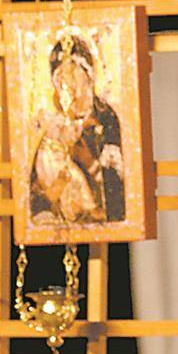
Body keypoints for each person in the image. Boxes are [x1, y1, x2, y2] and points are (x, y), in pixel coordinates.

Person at [30, 33, 126, 225]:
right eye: (60, 80)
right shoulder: (51, 126)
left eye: (73, 75)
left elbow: (117, 191)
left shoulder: (106, 119)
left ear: (89, 77)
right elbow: (37, 198)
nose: (68, 87)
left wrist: (88, 161)